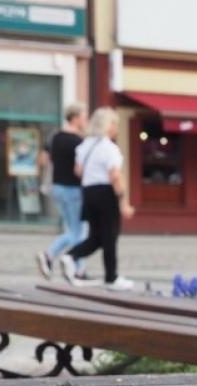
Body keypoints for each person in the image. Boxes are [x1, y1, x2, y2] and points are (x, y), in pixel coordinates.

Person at [60, 107, 136, 291]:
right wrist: (123, 201)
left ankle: (71, 256)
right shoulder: (109, 148)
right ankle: (111, 277)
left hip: (88, 191)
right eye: (114, 123)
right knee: (110, 236)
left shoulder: (85, 145)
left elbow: (78, 170)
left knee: (97, 235)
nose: (116, 127)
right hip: (105, 192)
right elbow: (115, 175)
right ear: (108, 125)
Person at [38, 104, 88, 279]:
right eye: (83, 116)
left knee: (72, 229)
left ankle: (50, 256)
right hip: (73, 189)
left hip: (57, 187)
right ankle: (76, 268)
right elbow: (79, 169)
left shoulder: (55, 136)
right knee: (78, 232)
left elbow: (44, 159)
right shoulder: (78, 141)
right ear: (74, 118)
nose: (85, 120)